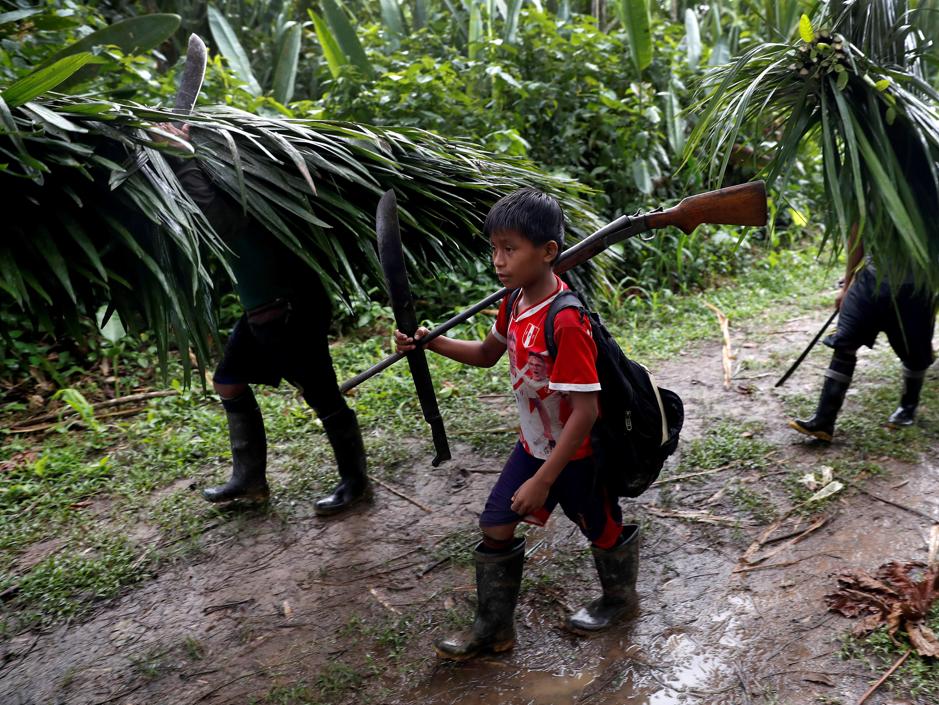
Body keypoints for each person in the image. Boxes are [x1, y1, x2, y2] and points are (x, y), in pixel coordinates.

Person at [395, 188, 638, 661]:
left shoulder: (566, 321)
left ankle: (619, 598)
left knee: (602, 529)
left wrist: (543, 481)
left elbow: (585, 413)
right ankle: (493, 633)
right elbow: (488, 355)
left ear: (548, 252)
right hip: (532, 445)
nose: (499, 260)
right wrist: (431, 343)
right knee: (495, 524)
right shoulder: (514, 302)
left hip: (576, 456)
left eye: (511, 249)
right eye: (494, 248)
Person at [157, 123, 370, 515]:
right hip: (262, 309)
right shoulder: (234, 183)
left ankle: (355, 483)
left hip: (290, 309)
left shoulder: (250, 197)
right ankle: (250, 481)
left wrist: (179, 153)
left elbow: (220, 221)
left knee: (320, 394)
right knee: (228, 382)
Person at [789, 225, 936, 441]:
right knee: (845, 342)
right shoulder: (869, 191)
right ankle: (823, 421)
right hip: (870, 282)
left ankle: (907, 408)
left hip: (915, 289)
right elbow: (856, 236)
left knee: (914, 353)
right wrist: (846, 286)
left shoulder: (930, 195)